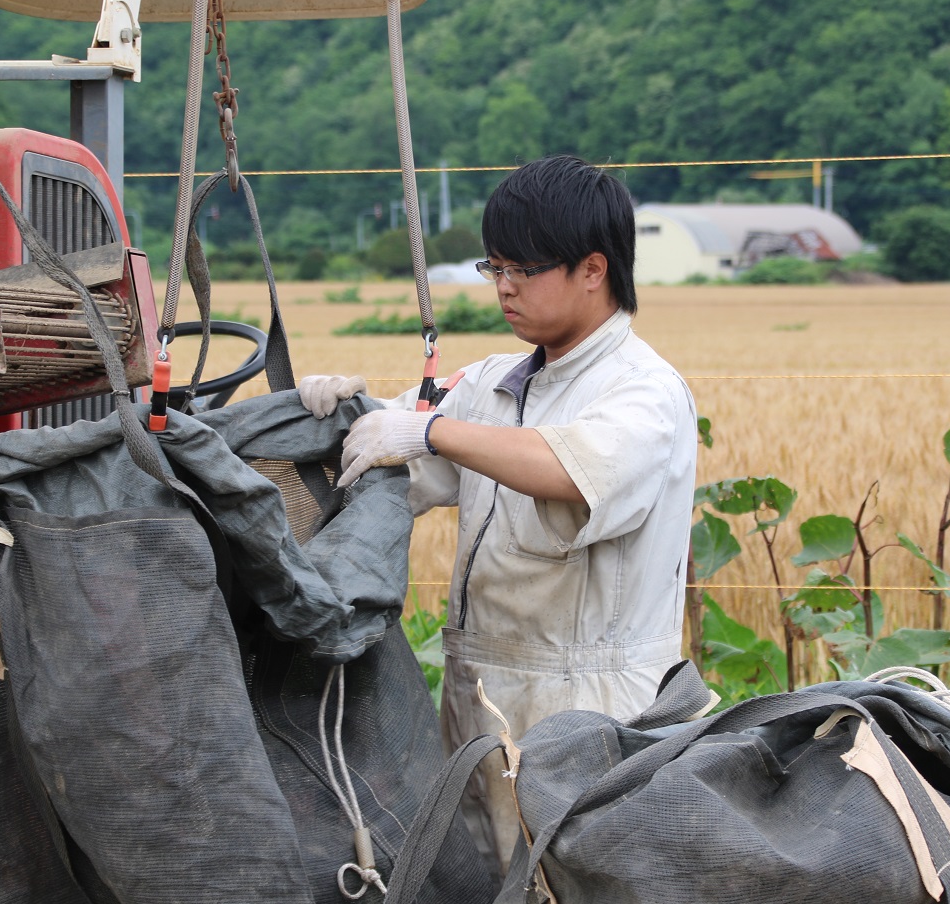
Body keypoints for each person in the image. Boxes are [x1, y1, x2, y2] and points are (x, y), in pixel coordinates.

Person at [298, 154, 698, 871]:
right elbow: (397, 452)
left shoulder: (643, 392)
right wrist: (344, 412)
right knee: (477, 880)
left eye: (523, 270)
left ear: (592, 270)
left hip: (590, 714)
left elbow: (567, 468)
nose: (504, 289)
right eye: (495, 268)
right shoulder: (493, 385)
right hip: (481, 697)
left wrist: (429, 429)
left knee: (572, 882)